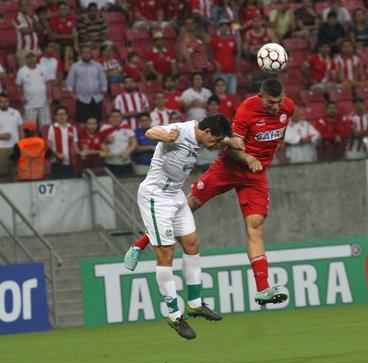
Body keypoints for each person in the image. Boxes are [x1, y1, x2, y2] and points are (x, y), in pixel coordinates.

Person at [124, 79, 294, 306]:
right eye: (272, 102)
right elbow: (231, 147)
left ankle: (262, 289)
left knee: (255, 225)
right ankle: (141, 242)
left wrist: (265, 156)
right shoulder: (246, 110)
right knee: (189, 205)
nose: (277, 106)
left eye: (279, 101)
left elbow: (278, 138)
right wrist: (249, 157)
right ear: (261, 96)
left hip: (256, 175)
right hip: (229, 167)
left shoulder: (288, 108)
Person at [134, 110, 237, 340]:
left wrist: (235, 142)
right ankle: (174, 314)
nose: (216, 145)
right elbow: (152, 131)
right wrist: (163, 135)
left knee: (192, 244)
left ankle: (195, 303)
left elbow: (225, 139)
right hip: (156, 197)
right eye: (215, 140)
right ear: (207, 132)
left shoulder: (200, 130)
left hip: (176, 196)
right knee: (165, 253)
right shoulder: (179, 132)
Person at [66, 44, 107, 123]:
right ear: (81, 54)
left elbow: (103, 80)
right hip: (82, 99)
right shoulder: (75, 66)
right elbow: (69, 83)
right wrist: (73, 95)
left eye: (88, 52)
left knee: (97, 122)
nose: (86, 54)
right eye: (84, 52)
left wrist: (103, 92)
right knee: (83, 123)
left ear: (91, 54)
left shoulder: (98, 66)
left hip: (97, 98)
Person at [16, 51, 51, 129]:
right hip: (29, 103)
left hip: (43, 102)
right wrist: (21, 97)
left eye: (33, 57)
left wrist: (49, 96)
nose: (31, 59)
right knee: (30, 127)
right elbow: (18, 86)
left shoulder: (42, 68)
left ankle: (44, 140)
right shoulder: (21, 71)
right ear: (26, 59)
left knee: (45, 126)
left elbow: (48, 84)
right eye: (29, 57)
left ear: (36, 58)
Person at [100, 109, 136, 176]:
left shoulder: (126, 127)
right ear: (109, 118)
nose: (115, 119)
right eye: (113, 116)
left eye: (117, 116)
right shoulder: (104, 128)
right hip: (110, 162)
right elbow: (100, 143)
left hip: (125, 162)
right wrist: (105, 143)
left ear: (121, 118)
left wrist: (128, 151)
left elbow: (134, 142)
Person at [47, 106, 79, 178]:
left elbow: (75, 145)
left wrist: (79, 153)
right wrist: (57, 154)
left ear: (67, 116)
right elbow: (49, 146)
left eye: (63, 114)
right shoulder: (52, 128)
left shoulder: (72, 128)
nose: (61, 116)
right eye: (59, 114)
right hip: (56, 162)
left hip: (70, 162)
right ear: (55, 117)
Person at [0, 93, 24, 179]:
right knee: (2, 174)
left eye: (5, 101)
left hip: (15, 147)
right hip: (1, 148)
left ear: (9, 102)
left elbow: (21, 130)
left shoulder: (16, 112)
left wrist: (22, 145)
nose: (3, 103)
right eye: (1, 102)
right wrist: (1, 136)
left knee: (16, 173)